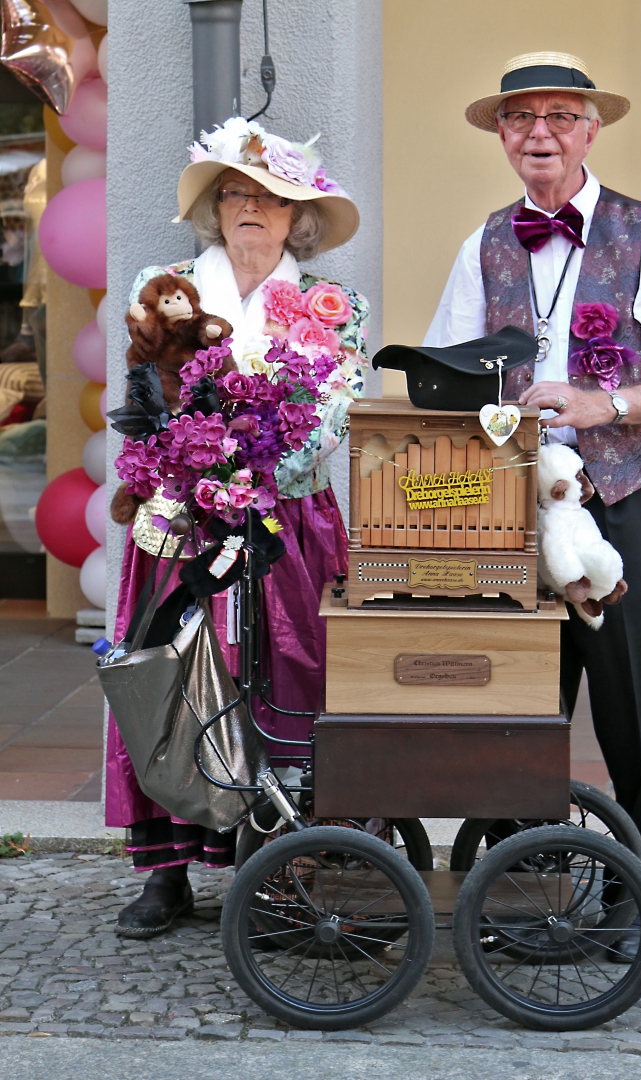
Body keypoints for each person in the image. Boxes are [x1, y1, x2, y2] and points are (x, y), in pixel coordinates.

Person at [425, 52, 641, 945]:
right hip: (519, 508)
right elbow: (447, 375)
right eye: (522, 119)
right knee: (521, 700)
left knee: (639, 704)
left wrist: (606, 405)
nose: (540, 133)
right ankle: (523, 878)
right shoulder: (483, 243)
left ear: (591, 131)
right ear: (502, 137)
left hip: (633, 499)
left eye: (560, 115)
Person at [108, 118, 369, 937]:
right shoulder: (166, 285)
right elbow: (145, 398)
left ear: (301, 217)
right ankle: (168, 872)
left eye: (268, 195)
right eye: (233, 192)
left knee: (290, 682)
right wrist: (195, 469)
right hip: (179, 521)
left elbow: (332, 414)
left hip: (285, 521)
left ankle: (286, 865)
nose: (248, 207)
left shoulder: (336, 306)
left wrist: (255, 475)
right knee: (171, 678)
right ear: (212, 210)